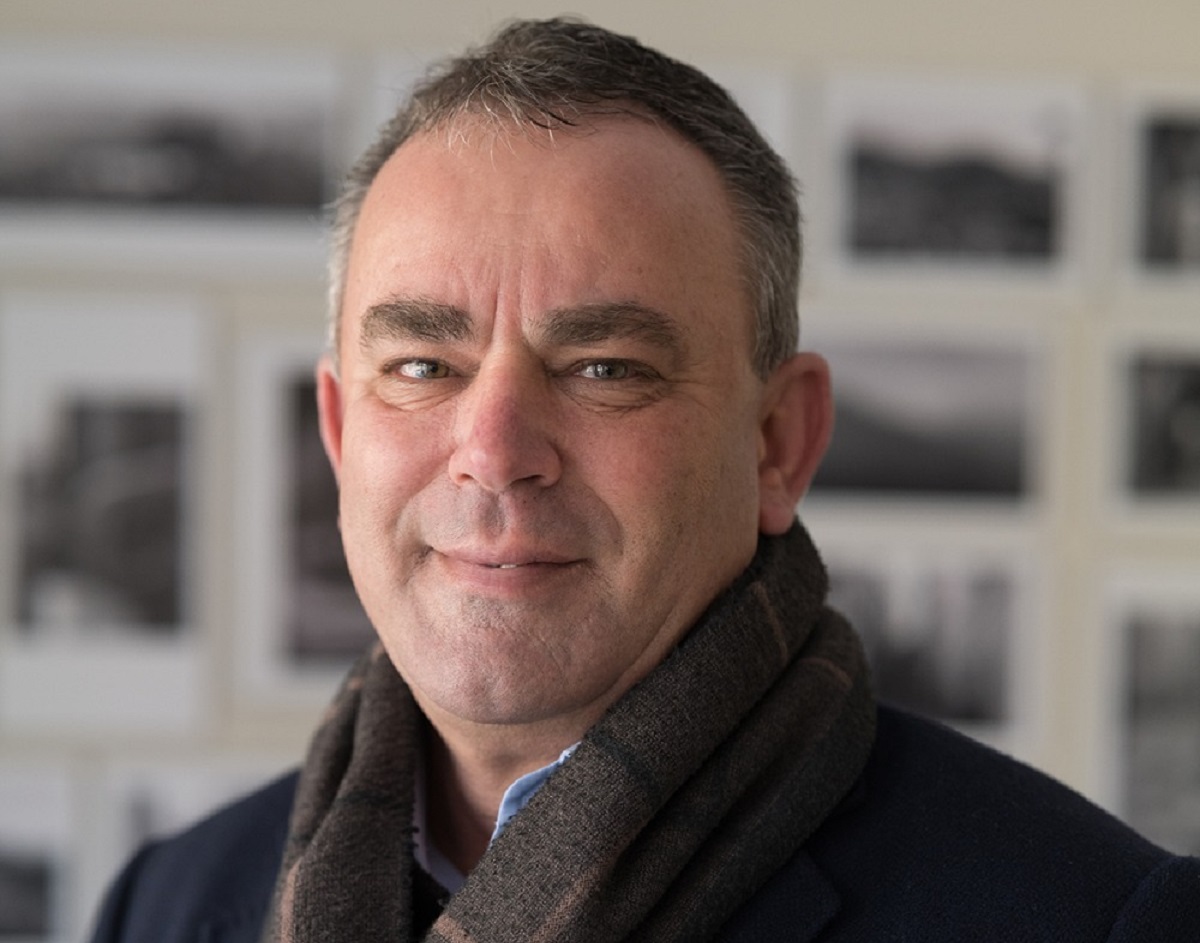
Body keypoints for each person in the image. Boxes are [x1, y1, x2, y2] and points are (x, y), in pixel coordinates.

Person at [89, 17, 1199, 943]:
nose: (495, 449)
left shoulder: (1097, 917)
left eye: (605, 367)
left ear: (777, 443)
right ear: (339, 431)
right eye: (423, 365)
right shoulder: (166, 903)